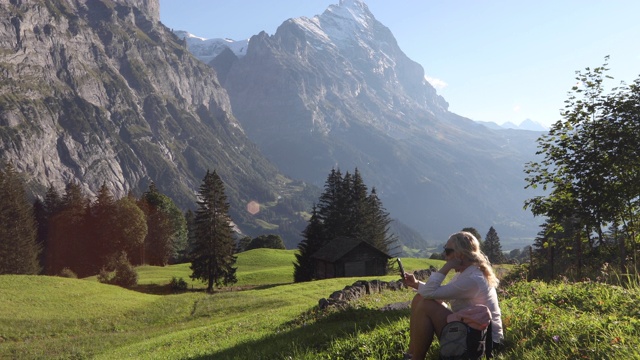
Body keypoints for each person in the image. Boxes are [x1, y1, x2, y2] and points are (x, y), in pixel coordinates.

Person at [402, 231, 504, 359]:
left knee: (426, 304)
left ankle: (416, 357)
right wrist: (416, 284)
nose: (445, 255)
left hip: (483, 342)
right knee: (420, 298)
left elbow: (430, 294)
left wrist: (447, 266)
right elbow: (437, 294)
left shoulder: (473, 279)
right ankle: (411, 353)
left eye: (448, 251)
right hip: (473, 331)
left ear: (460, 254)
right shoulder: (467, 272)